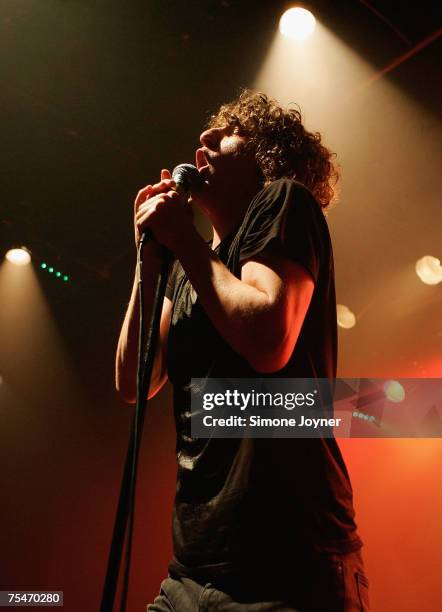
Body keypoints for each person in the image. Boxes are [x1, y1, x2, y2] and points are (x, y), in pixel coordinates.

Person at [115, 90, 370, 611]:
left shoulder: (284, 199)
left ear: (268, 157)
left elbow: (268, 342)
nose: (205, 138)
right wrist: (152, 258)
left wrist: (183, 241)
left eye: (230, 131)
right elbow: (131, 381)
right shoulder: (193, 263)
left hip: (288, 562)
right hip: (191, 570)